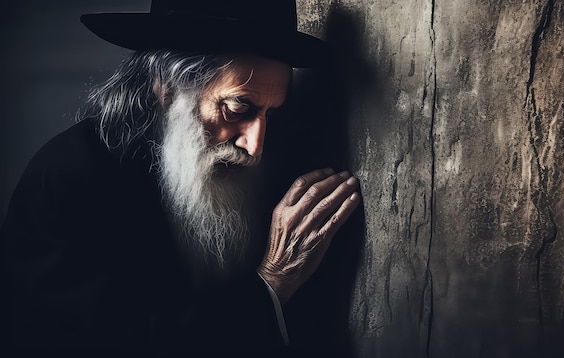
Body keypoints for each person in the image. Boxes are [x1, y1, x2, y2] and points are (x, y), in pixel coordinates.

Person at [0, 0, 361, 355]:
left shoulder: (263, 164)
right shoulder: (67, 178)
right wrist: (272, 282)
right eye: (238, 109)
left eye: (270, 113)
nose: (255, 146)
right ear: (167, 87)